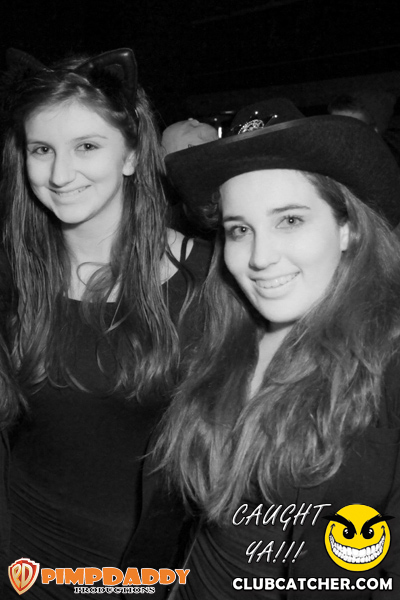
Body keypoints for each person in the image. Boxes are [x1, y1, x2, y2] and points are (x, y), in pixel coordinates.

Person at [158, 98, 400, 599]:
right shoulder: (224, 336)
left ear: (348, 227)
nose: (259, 257)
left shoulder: (384, 369)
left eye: (289, 220)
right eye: (240, 230)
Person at [0, 47, 211, 598]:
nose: (60, 174)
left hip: (135, 574)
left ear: (132, 155)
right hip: (16, 552)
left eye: (87, 146)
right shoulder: (14, 275)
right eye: (42, 149)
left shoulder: (208, 280)